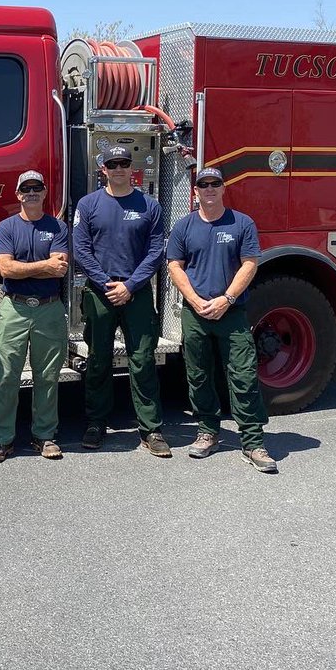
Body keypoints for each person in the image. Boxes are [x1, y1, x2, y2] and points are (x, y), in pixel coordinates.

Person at [165, 167, 277, 473]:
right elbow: (174, 265)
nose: (210, 189)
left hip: (231, 312)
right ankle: (208, 432)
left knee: (243, 376)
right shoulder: (184, 226)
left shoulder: (242, 223)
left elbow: (250, 264)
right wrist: (195, 300)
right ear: (195, 191)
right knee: (199, 376)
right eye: (204, 184)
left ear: (223, 188)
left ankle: (253, 443)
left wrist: (226, 299)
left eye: (215, 184)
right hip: (196, 313)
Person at [72, 145, 170, 456]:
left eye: (123, 163)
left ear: (132, 168)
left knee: (142, 361)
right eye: (112, 163)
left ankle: (151, 428)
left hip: (136, 293)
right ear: (103, 168)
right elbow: (81, 248)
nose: (118, 169)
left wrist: (130, 285)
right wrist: (105, 283)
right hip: (100, 294)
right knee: (99, 361)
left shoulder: (149, 206)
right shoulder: (88, 205)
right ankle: (96, 423)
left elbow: (156, 251)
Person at [0, 170, 70, 463]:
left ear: (45, 193)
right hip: (15, 307)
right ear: (18, 194)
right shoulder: (6, 227)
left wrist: (26, 267)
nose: (32, 193)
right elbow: (6, 270)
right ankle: (2, 440)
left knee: (47, 375)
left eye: (37, 188)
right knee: (6, 374)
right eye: (26, 189)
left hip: (49, 308)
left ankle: (44, 437)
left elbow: (61, 268)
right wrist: (44, 264)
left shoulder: (58, 227)